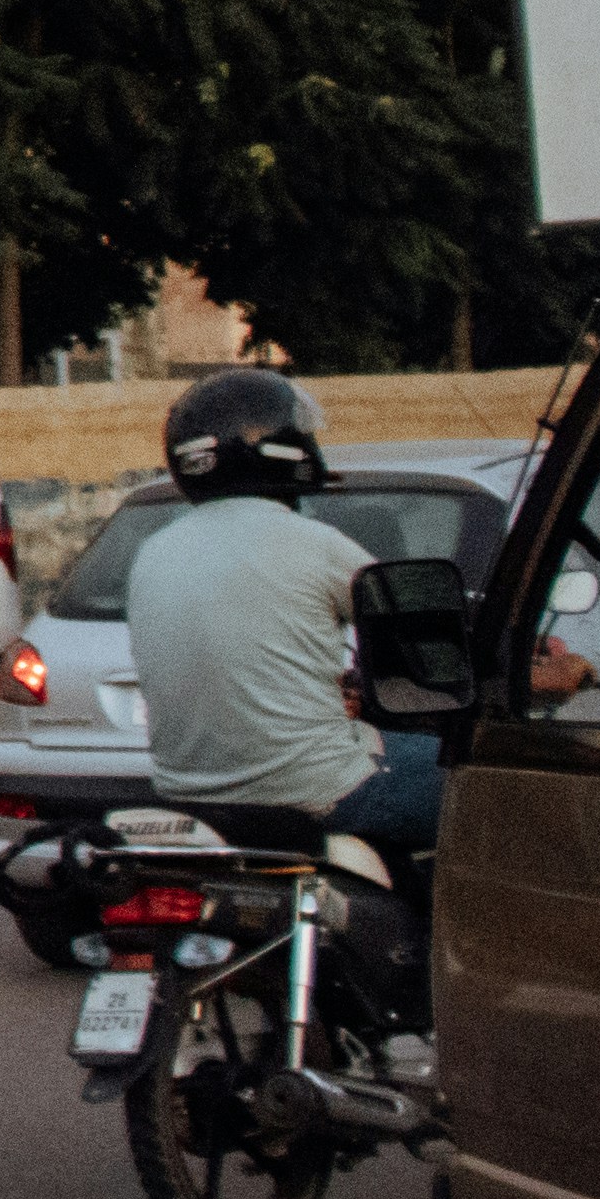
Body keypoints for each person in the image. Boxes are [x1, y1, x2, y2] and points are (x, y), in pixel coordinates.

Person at [126, 367, 439, 865]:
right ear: (281, 448)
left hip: (187, 795)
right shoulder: (314, 543)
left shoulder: (151, 552)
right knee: (486, 789)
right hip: (316, 791)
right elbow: (420, 638)